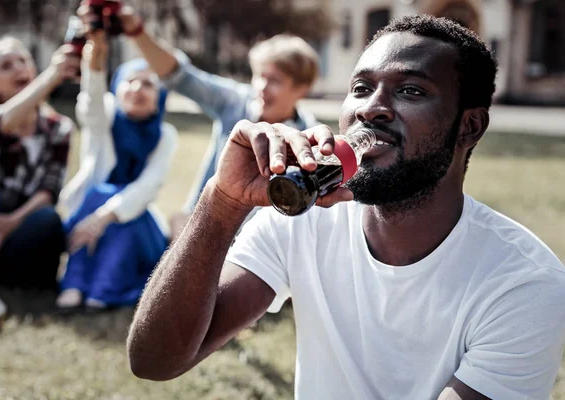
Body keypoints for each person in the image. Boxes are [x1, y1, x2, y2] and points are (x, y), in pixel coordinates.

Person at [127, 15, 565, 399]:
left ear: (469, 126)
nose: (372, 109)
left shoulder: (522, 284)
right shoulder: (306, 221)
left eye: (411, 90)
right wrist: (221, 203)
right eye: (361, 88)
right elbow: (154, 361)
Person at [85, 4, 321, 238]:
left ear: (302, 88)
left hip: (259, 247)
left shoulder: (309, 141)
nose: (262, 88)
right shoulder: (236, 103)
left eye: (276, 81)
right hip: (200, 228)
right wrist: (137, 31)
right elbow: (181, 77)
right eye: (260, 76)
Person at [57, 27, 178, 311]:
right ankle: (76, 283)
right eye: (130, 81)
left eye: (148, 84)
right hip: (90, 209)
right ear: (117, 88)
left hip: (133, 221)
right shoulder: (107, 117)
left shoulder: (165, 135)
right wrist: (95, 61)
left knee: (116, 207)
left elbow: (147, 187)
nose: (137, 88)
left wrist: (103, 217)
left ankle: (101, 288)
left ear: (158, 98)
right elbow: (91, 108)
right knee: (98, 193)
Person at [0, 37, 78, 331]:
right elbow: (2, 125)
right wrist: (52, 76)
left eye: (22, 61)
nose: (18, 68)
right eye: (5, 65)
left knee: (49, 218)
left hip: (29, 238)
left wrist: (14, 221)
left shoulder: (59, 128)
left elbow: (48, 191)